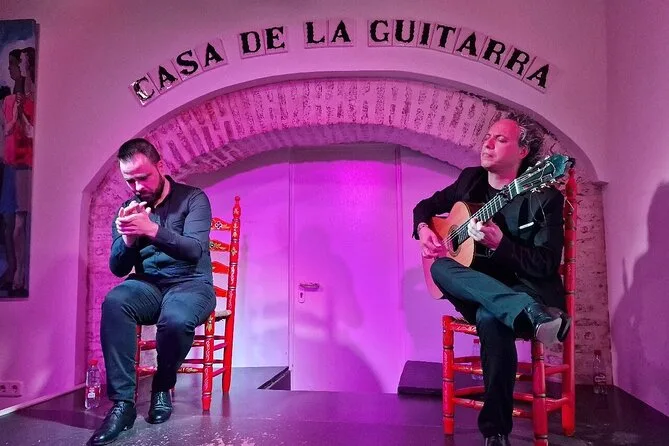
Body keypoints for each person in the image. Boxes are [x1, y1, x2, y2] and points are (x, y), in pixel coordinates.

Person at [413, 113, 571, 446]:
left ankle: (496, 433)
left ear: (523, 151)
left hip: (525, 289)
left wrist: (503, 247)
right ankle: (526, 310)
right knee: (440, 269)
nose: (487, 144)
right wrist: (424, 229)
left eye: (500, 139)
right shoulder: (469, 180)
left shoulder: (544, 198)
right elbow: (424, 206)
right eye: (487, 137)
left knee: (490, 318)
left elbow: (546, 264)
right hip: (485, 293)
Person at [90, 138, 216, 445]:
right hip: (149, 285)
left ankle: (162, 385)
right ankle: (123, 405)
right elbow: (118, 268)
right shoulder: (127, 210)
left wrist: (151, 230)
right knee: (115, 302)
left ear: (160, 166)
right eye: (129, 180)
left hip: (191, 283)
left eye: (143, 177)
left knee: (176, 319)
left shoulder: (193, 199)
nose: (137, 187)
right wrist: (128, 240)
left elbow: (194, 250)